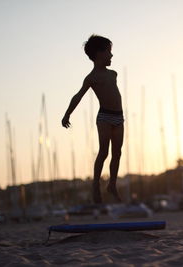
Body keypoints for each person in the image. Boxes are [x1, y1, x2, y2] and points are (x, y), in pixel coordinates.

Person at [62, 35, 124, 203]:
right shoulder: (92, 78)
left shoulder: (113, 74)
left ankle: (112, 185)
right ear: (98, 54)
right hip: (104, 117)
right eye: (109, 52)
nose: (111, 56)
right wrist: (67, 113)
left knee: (117, 153)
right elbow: (78, 96)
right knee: (104, 151)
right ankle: (96, 185)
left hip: (119, 117)